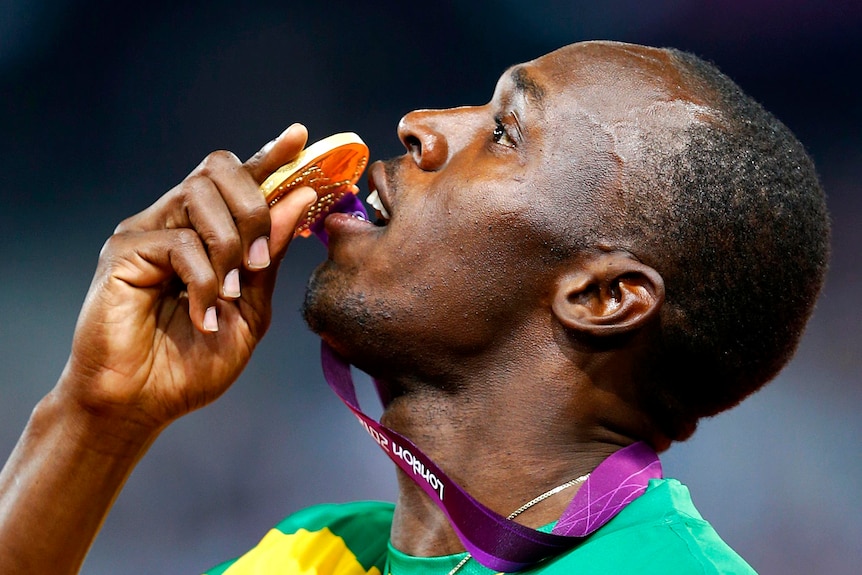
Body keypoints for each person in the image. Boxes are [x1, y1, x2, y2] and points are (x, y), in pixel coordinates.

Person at [0, 40, 829, 574]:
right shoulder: (311, 553)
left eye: (505, 130)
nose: (420, 125)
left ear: (602, 295)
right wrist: (95, 414)